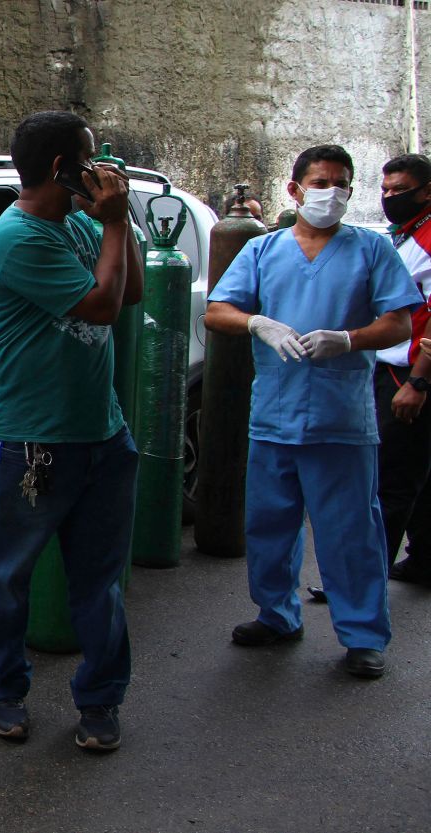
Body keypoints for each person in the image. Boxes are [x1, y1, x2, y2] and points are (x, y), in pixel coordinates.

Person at [205, 144, 419, 680]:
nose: (332, 193)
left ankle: (363, 635)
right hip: (275, 416)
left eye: (342, 184)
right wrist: (258, 324)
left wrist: (348, 339)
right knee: (269, 526)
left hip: (341, 419)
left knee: (350, 532)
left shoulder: (369, 250)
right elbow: (217, 310)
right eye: (321, 183)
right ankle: (276, 615)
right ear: (295, 190)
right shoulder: (262, 251)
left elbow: (400, 323)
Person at [0, 111, 141, 752]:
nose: (101, 170)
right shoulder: (14, 237)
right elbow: (97, 305)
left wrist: (116, 222)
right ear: (61, 169)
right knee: (4, 578)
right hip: (28, 442)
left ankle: (101, 701)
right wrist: (114, 223)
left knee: (101, 582)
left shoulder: (76, 223)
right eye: (89, 159)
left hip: (101, 434)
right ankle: (3, 691)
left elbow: (132, 292)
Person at [369, 154, 431, 586]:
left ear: (426, 192)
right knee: (420, 476)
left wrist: (418, 381)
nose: (391, 197)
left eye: (401, 190)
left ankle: (362, 579)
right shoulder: (406, 234)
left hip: (408, 375)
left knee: (390, 482)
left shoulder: (428, 238)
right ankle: (424, 559)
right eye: (386, 189)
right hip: (397, 370)